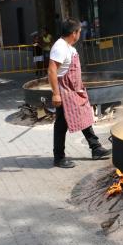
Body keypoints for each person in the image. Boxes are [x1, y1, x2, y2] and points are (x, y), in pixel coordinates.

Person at [48, 18, 110, 169]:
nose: (80, 35)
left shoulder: (68, 46)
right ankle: (59, 157)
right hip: (65, 92)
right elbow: (51, 70)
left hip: (74, 90)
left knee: (84, 115)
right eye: (79, 32)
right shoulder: (60, 47)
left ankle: (96, 148)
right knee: (61, 125)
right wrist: (56, 94)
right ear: (74, 33)